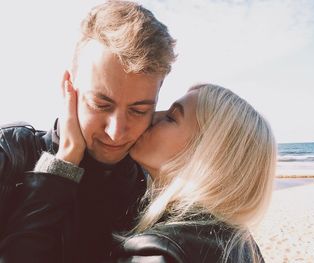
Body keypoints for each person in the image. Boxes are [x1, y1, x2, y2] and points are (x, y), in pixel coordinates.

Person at [1, 83, 276, 262]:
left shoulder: (161, 252)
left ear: (206, 153)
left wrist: (64, 163)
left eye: (171, 117)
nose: (152, 117)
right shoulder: (242, 245)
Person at [0, 1, 176, 262]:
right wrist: (64, 164)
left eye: (138, 111)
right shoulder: (10, 155)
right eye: (101, 105)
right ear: (68, 87)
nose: (116, 132)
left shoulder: (152, 193)